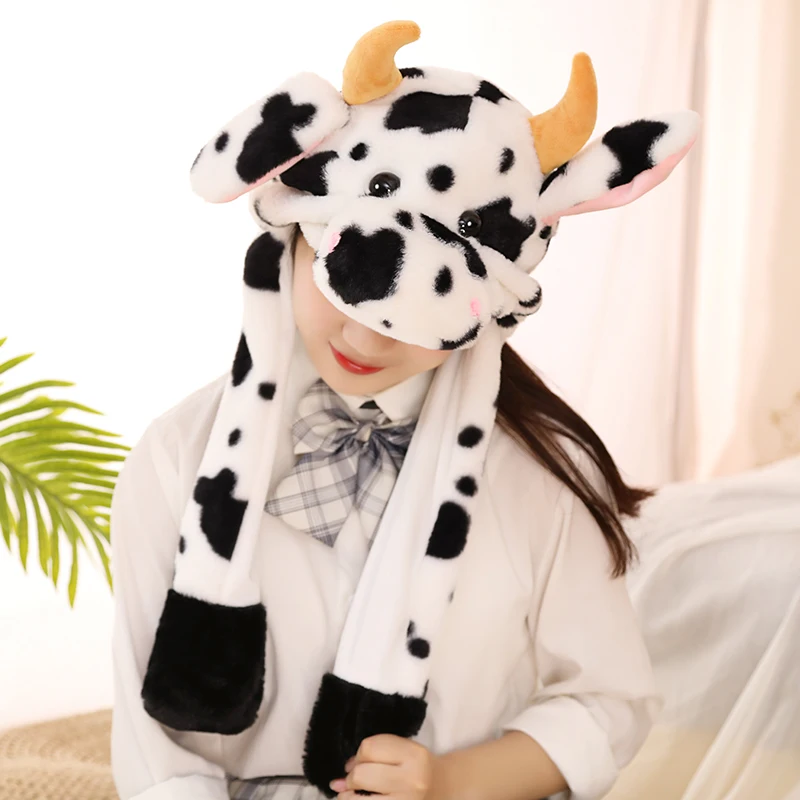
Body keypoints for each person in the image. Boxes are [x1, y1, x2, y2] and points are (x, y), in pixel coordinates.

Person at [110, 19, 699, 800]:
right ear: (290, 242)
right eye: (339, 282)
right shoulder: (174, 457)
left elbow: (609, 701)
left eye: (416, 313)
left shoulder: (540, 479)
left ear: (484, 308)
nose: (363, 338)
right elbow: (155, 750)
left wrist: (451, 781)